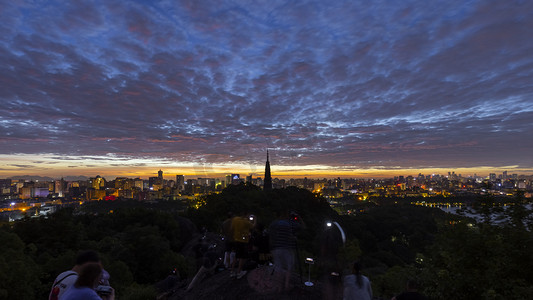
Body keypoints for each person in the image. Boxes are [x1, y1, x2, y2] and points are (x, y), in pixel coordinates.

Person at [269, 211, 305, 291]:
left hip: (276, 248)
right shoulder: (292, 224)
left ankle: (279, 287)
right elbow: (303, 227)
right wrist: (298, 217)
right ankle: (286, 285)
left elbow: (271, 232)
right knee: (289, 267)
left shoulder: (275, 223)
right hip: (288, 248)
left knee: (278, 267)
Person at [230, 212, 256, 279]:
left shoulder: (235, 219)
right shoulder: (246, 222)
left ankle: (232, 271)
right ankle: (239, 272)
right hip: (243, 241)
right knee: (242, 257)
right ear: (246, 215)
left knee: (236, 256)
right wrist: (255, 220)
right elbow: (252, 226)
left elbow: (232, 228)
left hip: (236, 240)